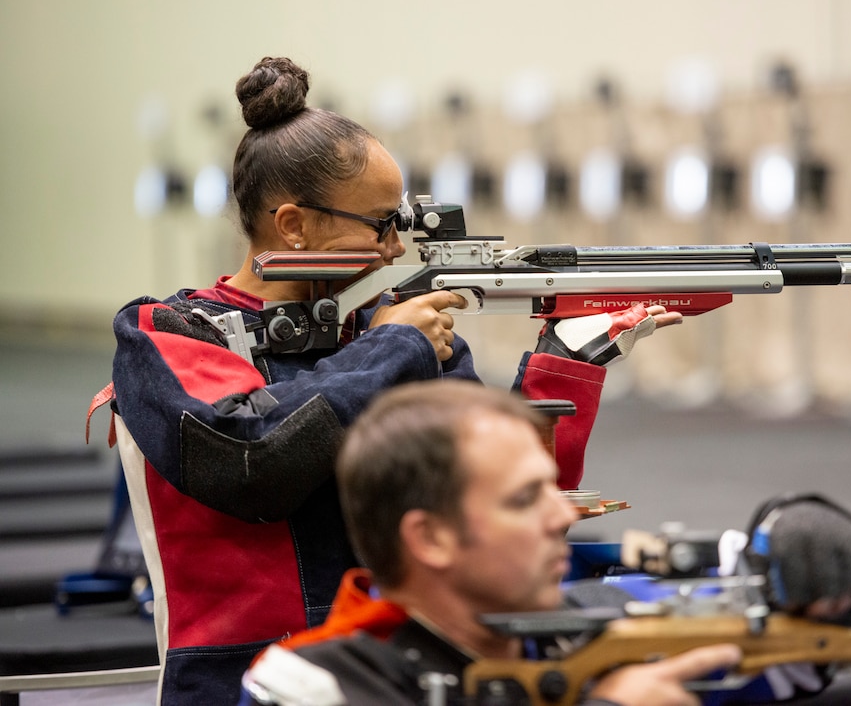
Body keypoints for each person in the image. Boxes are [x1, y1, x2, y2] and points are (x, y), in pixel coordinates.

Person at [93, 56, 678, 705]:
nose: (396, 248)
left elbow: (490, 509)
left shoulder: (393, 333)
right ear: (294, 224)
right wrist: (394, 345)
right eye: (379, 224)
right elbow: (248, 460)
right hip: (237, 680)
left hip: (404, 672)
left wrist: (566, 361)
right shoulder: (167, 331)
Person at [240, 379, 744, 706]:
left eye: (553, 487)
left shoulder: (587, 620)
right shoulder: (312, 686)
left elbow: (764, 613)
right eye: (525, 498)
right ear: (431, 538)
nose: (561, 514)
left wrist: (789, 542)